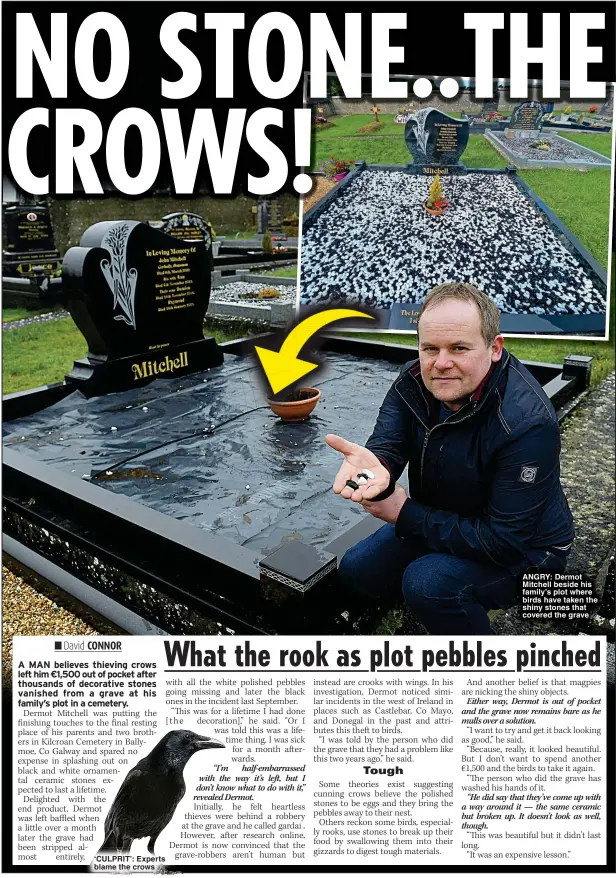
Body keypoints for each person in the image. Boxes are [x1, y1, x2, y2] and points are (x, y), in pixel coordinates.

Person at [326, 283, 574, 635]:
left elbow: (503, 542)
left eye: (459, 348)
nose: (441, 364)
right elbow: (388, 444)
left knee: (427, 584)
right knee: (356, 568)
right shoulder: (412, 380)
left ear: (494, 348)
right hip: (448, 514)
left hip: (529, 549)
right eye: (430, 348)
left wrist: (404, 512)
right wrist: (376, 471)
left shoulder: (528, 424)